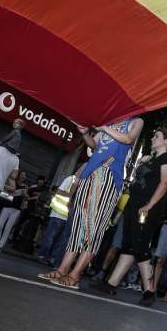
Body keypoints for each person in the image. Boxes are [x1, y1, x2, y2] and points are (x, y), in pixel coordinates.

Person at [42, 117, 143, 286]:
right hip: (89, 174)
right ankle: (62, 269)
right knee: (77, 224)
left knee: (94, 228)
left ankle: (75, 275)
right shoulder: (110, 123)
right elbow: (94, 145)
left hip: (109, 176)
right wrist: (86, 133)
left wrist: (103, 128)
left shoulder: (136, 121)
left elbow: (128, 139)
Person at [88, 127, 167, 303]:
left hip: (147, 208)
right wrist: (141, 164)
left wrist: (149, 205)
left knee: (140, 245)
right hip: (134, 205)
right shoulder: (150, 159)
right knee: (129, 245)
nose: (153, 138)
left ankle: (149, 291)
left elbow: (165, 183)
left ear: (166, 140)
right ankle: (112, 283)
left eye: (156, 136)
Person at [37, 169, 78, 263]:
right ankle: (42, 255)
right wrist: (71, 195)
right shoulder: (71, 179)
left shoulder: (82, 183)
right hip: (58, 213)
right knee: (50, 236)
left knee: (60, 239)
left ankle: (52, 257)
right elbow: (59, 192)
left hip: (68, 216)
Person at [0, 169, 27, 250]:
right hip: (7, 206)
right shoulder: (12, 183)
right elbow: (5, 191)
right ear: (18, 175)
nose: (23, 176)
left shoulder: (25, 186)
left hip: (16, 209)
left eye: (24, 175)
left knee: (8, 228)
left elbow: (25, 198)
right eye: (22, 174)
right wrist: (13, 191)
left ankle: (0, 246)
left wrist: (24, 195)